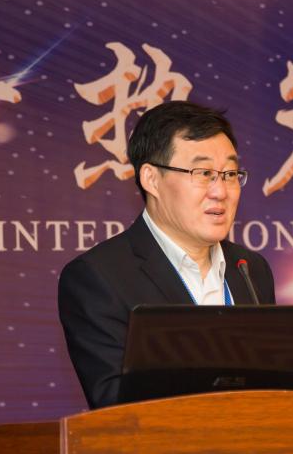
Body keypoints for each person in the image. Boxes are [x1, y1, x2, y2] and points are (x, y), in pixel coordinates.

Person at [58, 101, 276, 408]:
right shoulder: (99, 278)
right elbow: (115, 406)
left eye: (229, 174)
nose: (221, 191)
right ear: (151, 179)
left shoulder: (250, 269)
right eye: (204, 173)